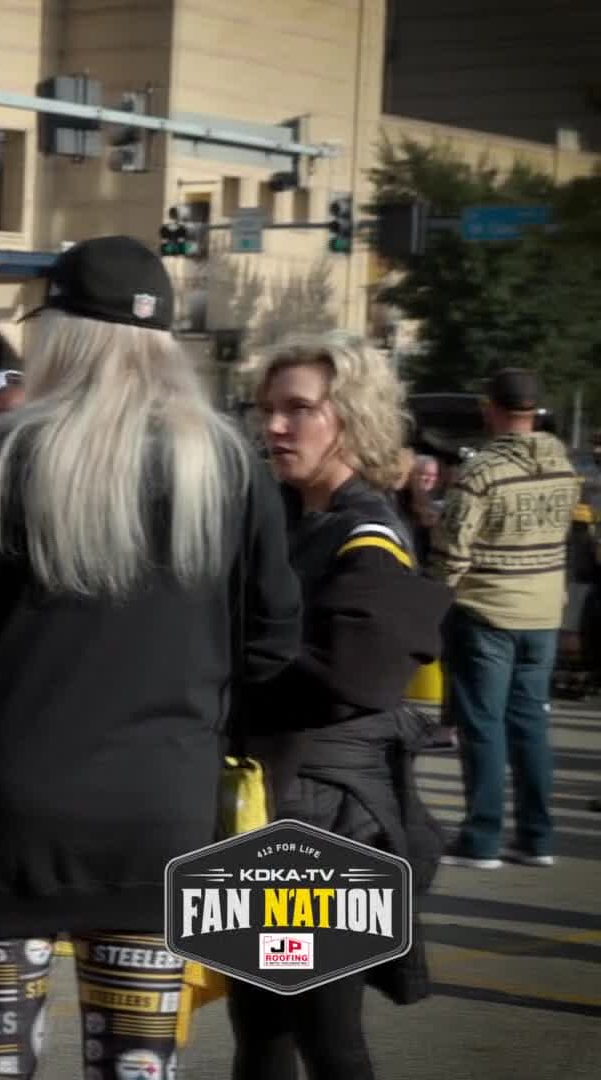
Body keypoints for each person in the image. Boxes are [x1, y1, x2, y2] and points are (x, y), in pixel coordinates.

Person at [0, 236, 302, 1080]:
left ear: (61, 335)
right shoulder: (230, 471)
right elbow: (272, 646)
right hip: (160, 812)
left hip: (2, 813)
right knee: (137, 1067)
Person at [229, 333, 449, 1079]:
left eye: (299, 409)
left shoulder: (367, 531)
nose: (276, 427)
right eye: (268, 410)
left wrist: (225, 670)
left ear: (349, 417)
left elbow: (356, 672)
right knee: (261, 1025)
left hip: (329, 813)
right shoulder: (288, 517)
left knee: (326, 1031)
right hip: (273, 801)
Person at [429, 368, 581, 869]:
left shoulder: (482, 472)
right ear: (535, 411)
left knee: (483, 725)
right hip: (542, 610)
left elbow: (453, 547)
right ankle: (537, 838)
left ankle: (482, 838)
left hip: (488, 609)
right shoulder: (564, 465)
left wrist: (436, 595)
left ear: (490, 408)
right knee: (531, 723)